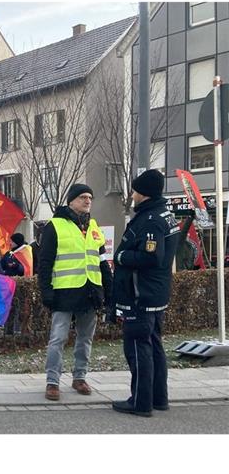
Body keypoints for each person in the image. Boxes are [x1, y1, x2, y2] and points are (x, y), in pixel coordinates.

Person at [111, 169, 179, 417]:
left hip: (140, 294)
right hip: (155, 293)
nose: (133, 195)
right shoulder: (165, 215)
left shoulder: (150, 220)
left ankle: (140, 402)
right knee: (154, 346)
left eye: (135, 191)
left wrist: (121, 256)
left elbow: (151, 257)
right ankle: (159, 398)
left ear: (144, 193)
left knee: (138, 348)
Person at [38, 183, 112, 401]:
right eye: (83, 197)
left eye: (90, 197)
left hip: (90, 291)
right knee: (58, 338)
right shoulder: (55, 225)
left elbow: (101, 261)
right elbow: (45, 263)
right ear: (71, 201)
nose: (88, 201)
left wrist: (110, 289)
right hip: (64, 292)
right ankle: (52, 381)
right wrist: (46, 291)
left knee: (85, 339)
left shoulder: (93, 226)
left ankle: (80, 377)